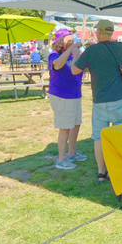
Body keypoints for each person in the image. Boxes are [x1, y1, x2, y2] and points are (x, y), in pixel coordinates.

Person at [71, 20, 122, 183]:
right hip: (119, 97)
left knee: (99, 137)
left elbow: (75, 70)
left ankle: (101, 172)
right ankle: (114, 169)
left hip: (100, 99)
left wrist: (77, 55)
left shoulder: (91, 51)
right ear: (111, 32)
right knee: (119, 136)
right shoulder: (120, 48)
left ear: (99, 32)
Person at [48, 28, 87, 170]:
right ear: (60, 41)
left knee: (76, 124)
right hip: (61, 95)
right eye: (68, 40)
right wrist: (71, 50)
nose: (72, 42)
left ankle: (72, 153)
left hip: (75, 94)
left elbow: (76, 70)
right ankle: (61, 159)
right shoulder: (54, 55)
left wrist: (76, 54)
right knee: (65, 127)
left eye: (73, 40)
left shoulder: (73, 54)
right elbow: (57, 65)